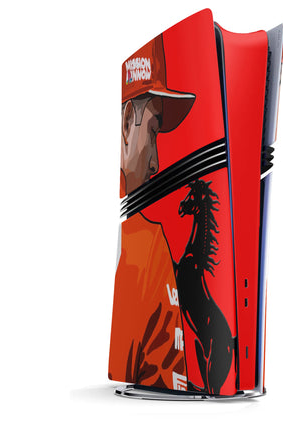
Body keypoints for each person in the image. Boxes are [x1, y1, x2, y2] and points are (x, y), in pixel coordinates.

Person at [108, 34, 195, 391]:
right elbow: (168, 382)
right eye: (154, 132)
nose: (157, 163)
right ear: (127, 123)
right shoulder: (150, 246)